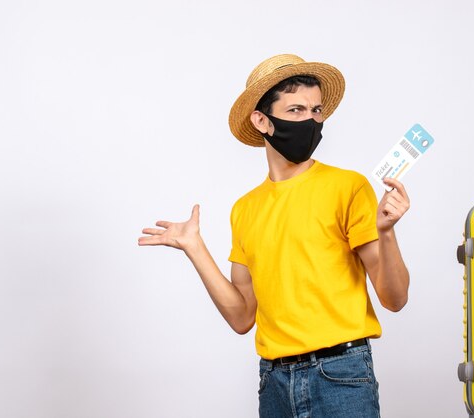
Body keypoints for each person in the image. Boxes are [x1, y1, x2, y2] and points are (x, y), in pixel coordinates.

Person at [138, 54, 410, 418]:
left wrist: (386, 233)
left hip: (341, 375)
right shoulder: (245, 209)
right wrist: (195, 248)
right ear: (262, 120)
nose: (311, 121)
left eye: (316, 111)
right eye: (296, 110)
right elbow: (241, 317)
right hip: (274, 381)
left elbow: (394, 299)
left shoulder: (348, 187)